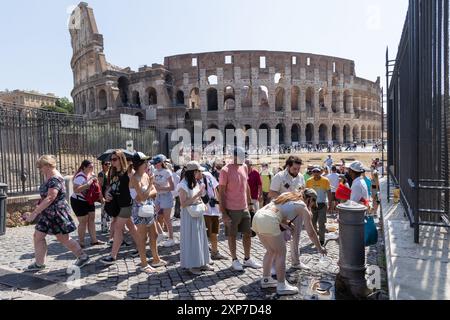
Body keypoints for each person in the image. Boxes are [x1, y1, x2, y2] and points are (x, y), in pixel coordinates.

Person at [252, 189, 327, 296]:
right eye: (312, 203)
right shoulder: (302, 206)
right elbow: (311, 232)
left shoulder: (287, 195)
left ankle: (266, 279)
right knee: (281, 253)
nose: (311, 206)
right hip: (269, 219)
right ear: (309, 199)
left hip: (258, 216)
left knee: (270, 251)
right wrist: (320, 248)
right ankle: (282, 285)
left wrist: (285, 222)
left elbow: (276, 210)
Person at [25, 155, 90, 271]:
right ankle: (39, 263)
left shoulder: (54, 179)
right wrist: (39, 206)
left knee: (63, 238)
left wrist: (34, 213)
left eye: (41, 167)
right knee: (38, 236)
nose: (40, 169)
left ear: (47, 165)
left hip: (56, 213)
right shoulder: (49, 176)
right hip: (48, 213)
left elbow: (50, 197)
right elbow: (46, 197)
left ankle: (83, 256)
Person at [219, 147, 262, 271]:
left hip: (244, 207)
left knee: (248, 233)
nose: (244, 158)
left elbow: (246, 186)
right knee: (232, 235)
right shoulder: (225, 170)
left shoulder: (244, 167)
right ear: (234, 156)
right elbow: (221, 192)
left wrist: (249, 204)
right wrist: (224, 213)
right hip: (231, 208)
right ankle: (234, 259)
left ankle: (247, 259)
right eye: (242, 156)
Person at [100, 150, 143, 265]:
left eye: (114, 159)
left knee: (118, 228)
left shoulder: (128, 172)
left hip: (127, 205)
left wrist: (140, 197)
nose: (112, 162)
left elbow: (138, 184)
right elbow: (110, 187)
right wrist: (106, 194)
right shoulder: (112, 172)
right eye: (111, 159)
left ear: (121, 159)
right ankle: (141, 248)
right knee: (132, 228)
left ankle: (113, 256)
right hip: (117, 205)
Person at [129, 152, 166, 274]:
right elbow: (143, 197)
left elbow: (153, 192)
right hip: (140, 210)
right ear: (139, 163)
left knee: (154, 234)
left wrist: (147, 192)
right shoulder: (134, 178)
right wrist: (150, 185)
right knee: (142, 238)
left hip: (149, 208)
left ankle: (156, 259)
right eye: (145, 162)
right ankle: (144, 264)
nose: (147, 164)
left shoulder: (145, 175)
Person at [268, 156, 306, 269]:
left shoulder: (301, 177)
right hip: (282, 212)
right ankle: (275, 265)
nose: (297, 171)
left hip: (297, 212)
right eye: (294, 169)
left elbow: (302, 192)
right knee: (280, 239)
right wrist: (286, 199)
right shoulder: (278, 177)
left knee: (296, 237)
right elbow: (271, 193)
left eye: (298, 169)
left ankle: (296, 262)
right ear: (288, 166)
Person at [179, 161, 214, 275]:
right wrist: (197, 195)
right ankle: (192, 265)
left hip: (197, 213)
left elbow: (197, 198)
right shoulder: (183, 185)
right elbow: (183, 204)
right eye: (199, 171)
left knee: (201, 238)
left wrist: (201, 202)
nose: (201, 173)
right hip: (189, 215)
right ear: (194, 172)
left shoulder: (195, 183)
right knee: (192, 239)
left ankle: (203, 262)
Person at [70, 160, 104, 248]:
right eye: (90, 167)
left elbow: (98, 188)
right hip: (78, 201)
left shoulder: (92, 175)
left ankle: (94, 240)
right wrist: (87, 185)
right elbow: (75, 190)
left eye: (92, 167)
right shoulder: (80, 176)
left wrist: (101, 198)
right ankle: (81, 242)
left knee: (91, 219)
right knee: (83, 221)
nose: (92, 168)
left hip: (89, 200)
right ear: (84, 167)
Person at [198, 168, 227, 260]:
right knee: (205, 234)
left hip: (214, 209)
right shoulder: (193, 181)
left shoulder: (208, 175)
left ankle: (215, 252)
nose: (200, 172)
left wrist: (221, 204)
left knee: (214, 232)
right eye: (198, 171)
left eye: (201, 171)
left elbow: (216, 188)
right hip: (203, 210)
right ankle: (204, 256)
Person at [152, 155, 176, 247]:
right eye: (154, 163)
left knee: (167, 219)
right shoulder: (154, 171)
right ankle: (161, 233)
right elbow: (154, 183)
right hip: (158, 196)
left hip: (166, 196)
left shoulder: (167, 172)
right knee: (154, 215)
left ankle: (171, 239)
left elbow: (172, 187)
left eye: (156, 163)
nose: (155, 165)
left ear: (161, 162)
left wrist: (160, 188)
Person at [305, 166, 332, 246]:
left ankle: (321, 240)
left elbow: (329, 192)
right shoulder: (309, 181)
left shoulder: (325, 180)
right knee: (313, 223)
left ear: (320, 172)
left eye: (317, 172)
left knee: (321, 223)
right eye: (314, 172)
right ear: (312, 172)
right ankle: (315, 237)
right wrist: (307, 205)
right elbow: (306, 193)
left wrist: (330, 204)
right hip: (312, 205)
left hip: (322, 204)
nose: (316, 173)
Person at [98, 161, 111, 234]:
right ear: (103, 165)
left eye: (109, 164)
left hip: (109, 195)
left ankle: (108, 227)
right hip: (103, 195)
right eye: (106, 164)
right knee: (104, 212)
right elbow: (99, 186)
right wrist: (101, 197)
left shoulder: (109, 172)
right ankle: (104, 227)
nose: (108, 165)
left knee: (109, 211)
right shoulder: (101, 174)